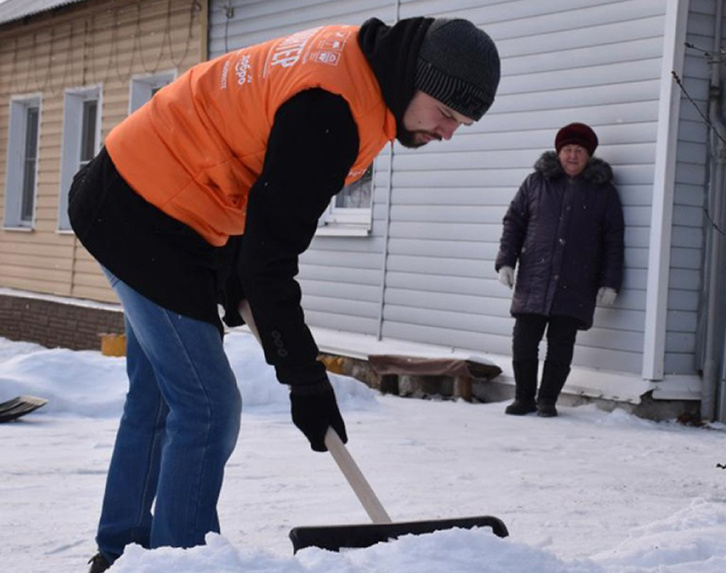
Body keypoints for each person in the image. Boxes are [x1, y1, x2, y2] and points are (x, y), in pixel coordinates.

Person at [68, 17, 500, 572]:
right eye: (445, 114)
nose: (447, 133)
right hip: (144, 214)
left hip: (149, 193)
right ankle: (179, 563)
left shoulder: (359, 71)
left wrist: (233, 265)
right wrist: (305, 377)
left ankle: (121, 552)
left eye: (460, 123)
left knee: (160, 396)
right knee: (207, 407)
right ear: (415, 76)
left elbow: (252, 172)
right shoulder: (331, 110)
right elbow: (270, 262)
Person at [495, 122, 625, 417]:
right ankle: (524, 398)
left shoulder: (603, 193)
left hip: (576, 282)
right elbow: (513, 222)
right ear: (558, 152)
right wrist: (506, 261)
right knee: (524, 343)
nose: (572, 156)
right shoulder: (535, 183)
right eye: (567, 150)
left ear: (588, 155)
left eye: (579, 151)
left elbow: (613, 240)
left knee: (561, 347)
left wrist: (610, 282)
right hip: (534, 278)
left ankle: (547, 401)